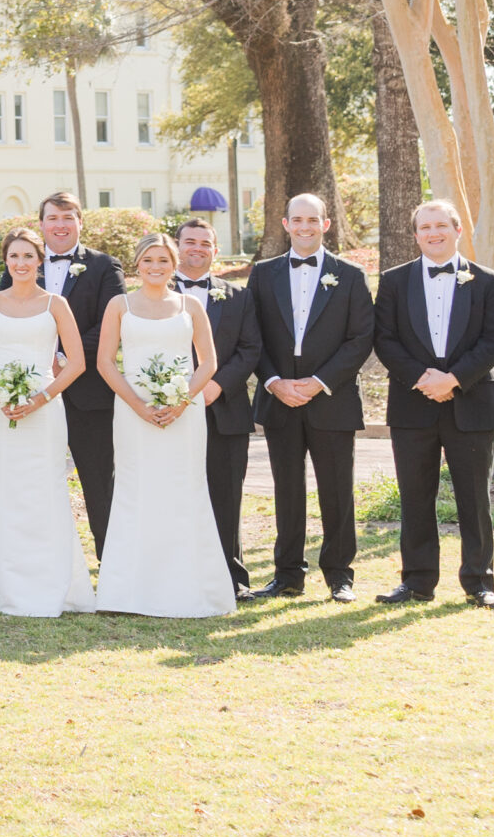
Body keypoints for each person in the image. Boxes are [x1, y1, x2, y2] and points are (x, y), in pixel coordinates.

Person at [374, 200, 494, 608]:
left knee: (475, 498)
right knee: (415, 496)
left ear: (457, 230)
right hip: (413, 403)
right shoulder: (394, 281)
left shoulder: (486, 281)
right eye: (425, 227)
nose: (433, 233)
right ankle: (416, 582)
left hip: (470, 402)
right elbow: (384, 339)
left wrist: (452, 380)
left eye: (441, 226)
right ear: (415, 235)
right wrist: (422, 379)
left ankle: (480, 583)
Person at [90, 234, 235, 617]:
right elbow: (106, 362)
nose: (156, 267)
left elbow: (207, 363)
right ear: (137, 263)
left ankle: (187, 587)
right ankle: (128, 592)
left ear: (175, 264)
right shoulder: (119, 305)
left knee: (182, 490)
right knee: (135, 491)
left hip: (183, 415)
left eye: (163, 260)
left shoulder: (191, 306)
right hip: (132, 413)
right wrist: (137, 404)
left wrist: (182, 400)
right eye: (149, 260)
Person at [247, 192, 376, 601]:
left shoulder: (350, 275)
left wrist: (320, 381)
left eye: (312, 219)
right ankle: (287, 575)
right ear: (285, 224)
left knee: (337, 489)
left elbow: (360, 339)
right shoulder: (262, 273)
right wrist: (273, 382)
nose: (304, 227)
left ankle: (340, 575)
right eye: (296, 220)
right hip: (279, 397)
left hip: (332, 397)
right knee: (286, 489)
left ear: (326, 224)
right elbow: (252, 337)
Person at [0, 229, 94, 618]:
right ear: (6, 261)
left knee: (42, 487)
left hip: (45, 408)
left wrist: (41, 397)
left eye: (27, 256)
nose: (20, 263)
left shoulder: (56, 303)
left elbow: (76, 362)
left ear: (40, 261)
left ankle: (47, 578)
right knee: (0, 487)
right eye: (13, 257)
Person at [174, 218, 264, 599]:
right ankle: (175, 574)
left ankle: (231, 579)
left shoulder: (238, 296)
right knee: (173, 493)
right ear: (176, 246)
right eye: (189, 241)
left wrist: (215, 386)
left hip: (223, 410)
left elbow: (250, 349)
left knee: (226, 495)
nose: (197, 248)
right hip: (168, 412)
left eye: (205, 243)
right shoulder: (150, 294)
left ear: (215, 250)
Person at [34, 191, 127, 552]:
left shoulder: (104, 266)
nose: (60, 225)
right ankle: (44, 560)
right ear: (41, 224)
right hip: (35, 391)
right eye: (53, 218)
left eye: (67, 217)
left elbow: (111, 324)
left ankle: (113, 562)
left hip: (89, 393)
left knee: (99, 481)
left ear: (80, 222)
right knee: (38, 479)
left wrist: (65, 358)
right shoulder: (25, 262)